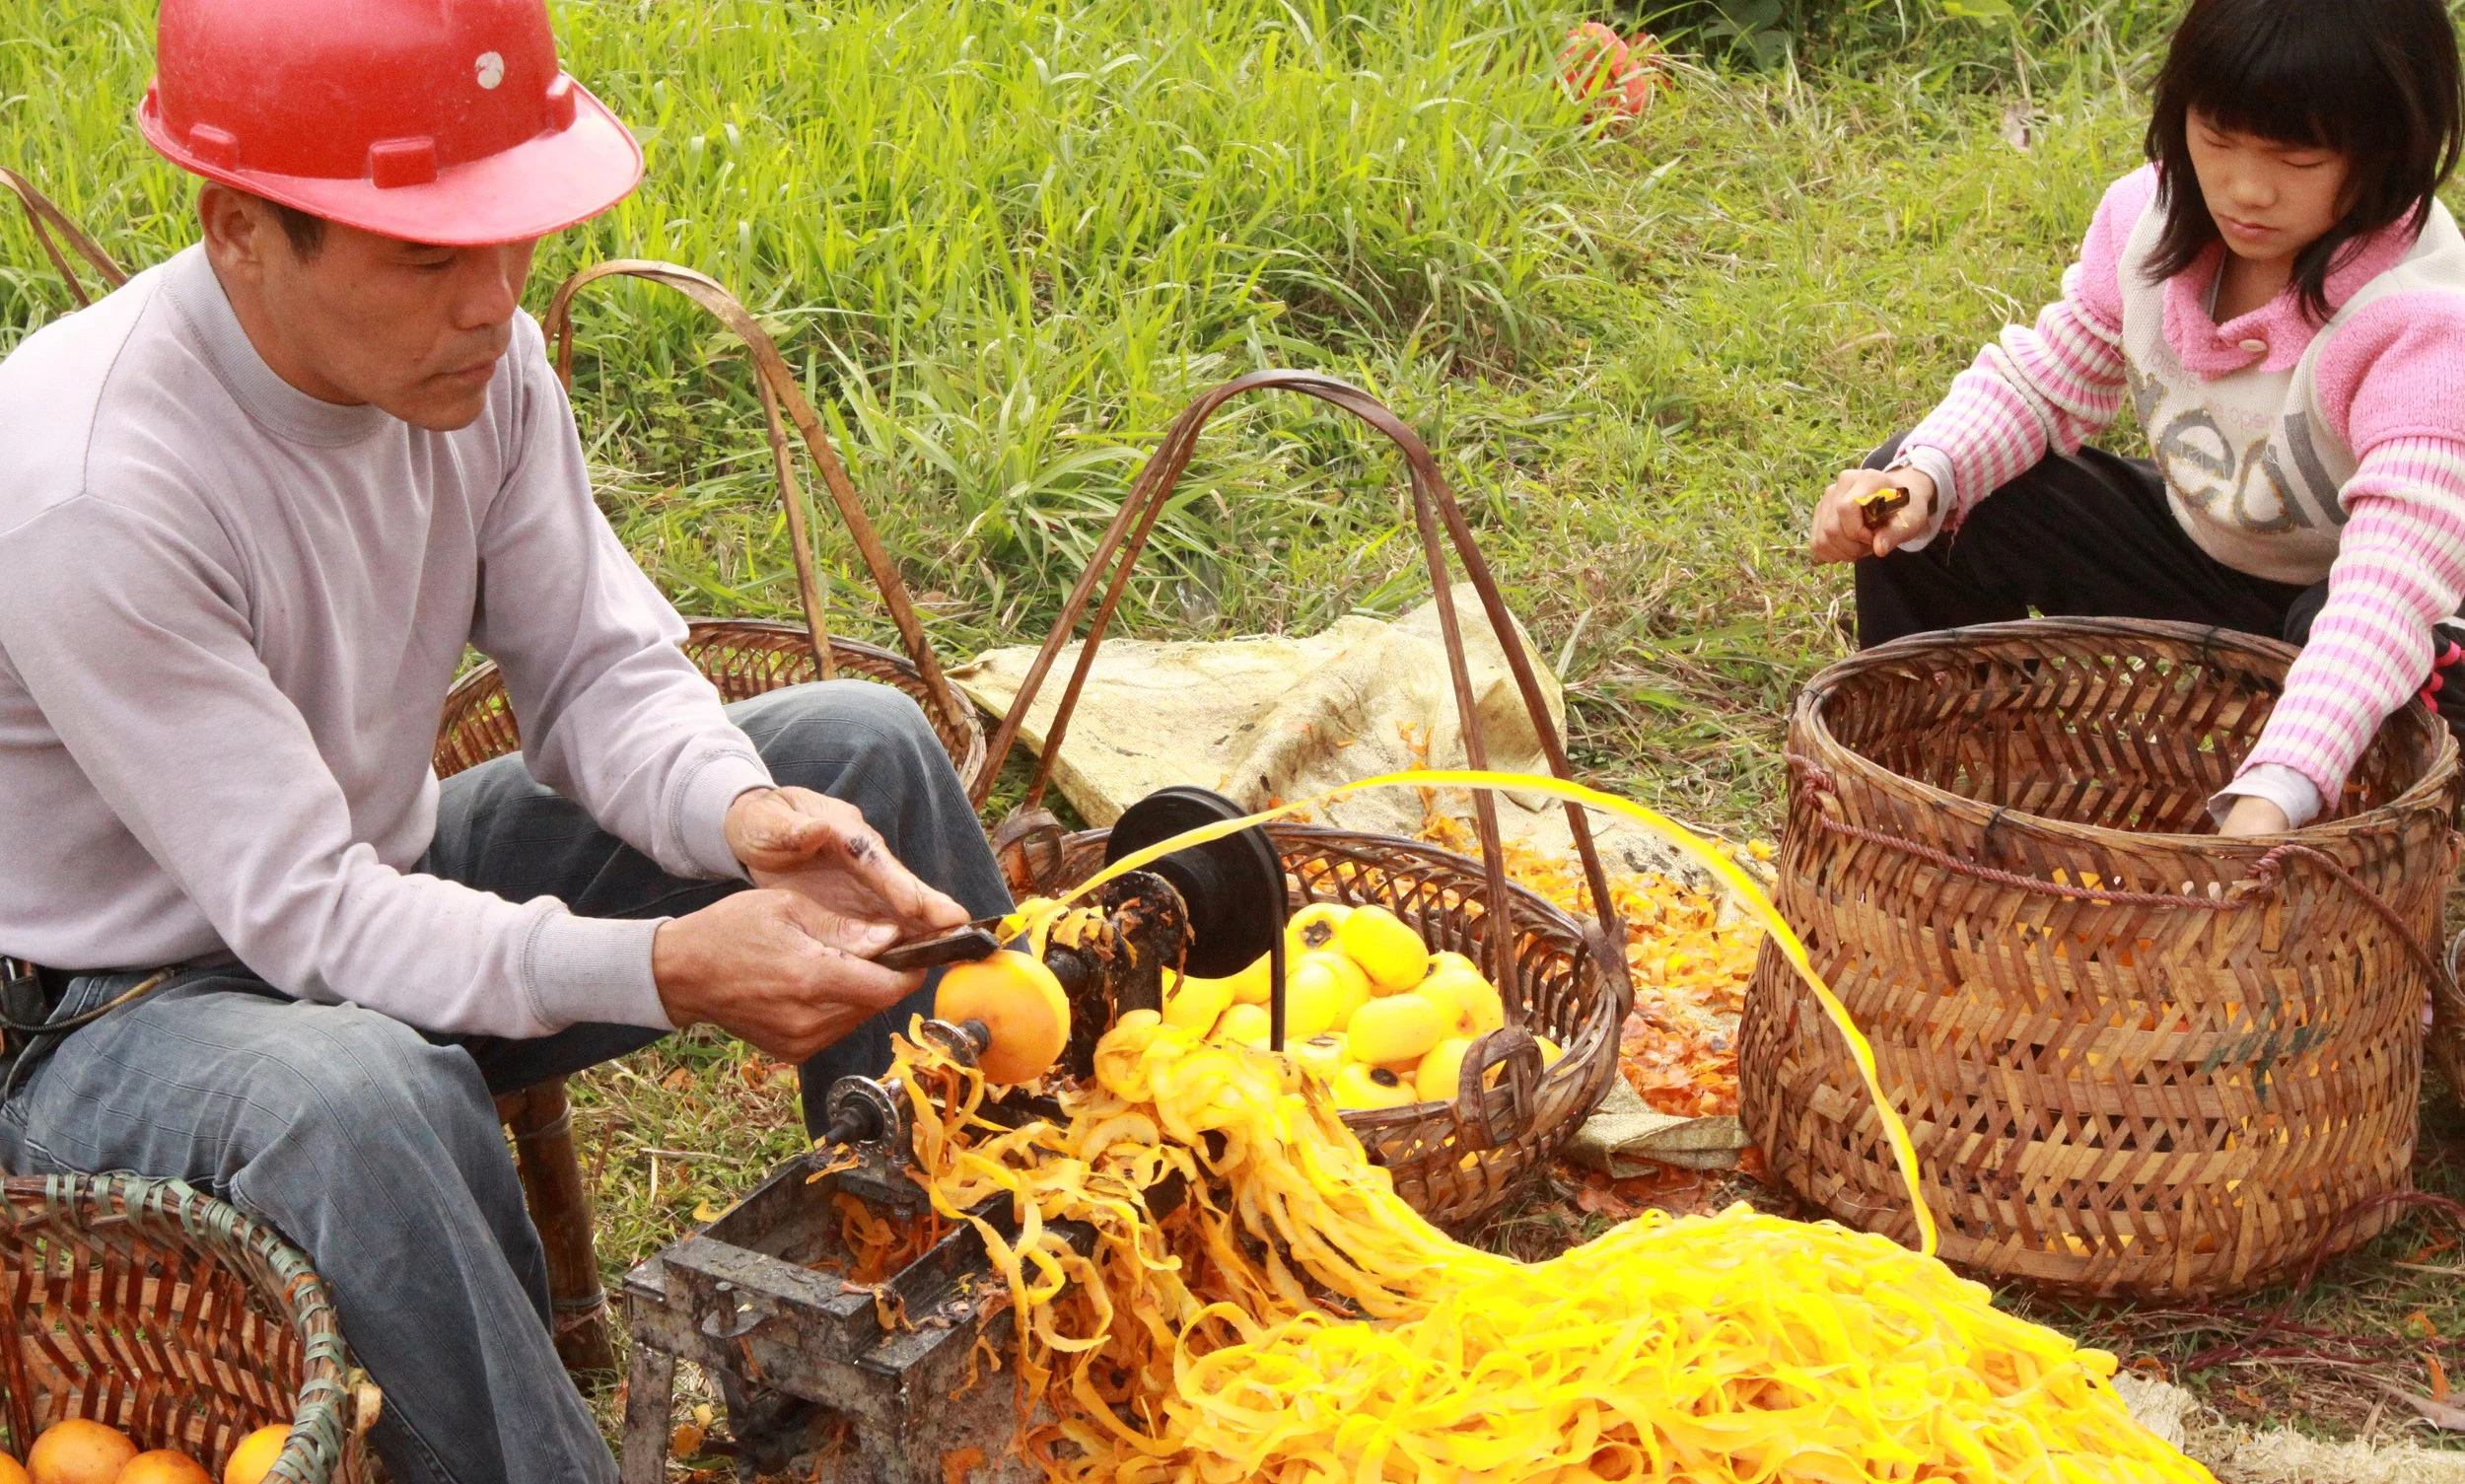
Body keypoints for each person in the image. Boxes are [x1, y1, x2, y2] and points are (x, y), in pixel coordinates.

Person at [0, 1, 1009, 1479]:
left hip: (372, 871)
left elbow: (600, 668)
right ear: (238, 228)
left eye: (510, 238)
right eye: (427, 254)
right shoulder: (90, 486)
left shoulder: (480, 364)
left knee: (861, 753)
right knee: (360, 1097)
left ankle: (1001, 1316)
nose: (491, 298)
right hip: (111, 1009)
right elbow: (301, 916)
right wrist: (665, 969)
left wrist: (743, 814)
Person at [1809, 0, 2465, 836]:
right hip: (2220, 555)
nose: (2246, 188)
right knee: (1934, 509)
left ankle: (2394, 837)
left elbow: (2389, 590)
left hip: (2404, 606)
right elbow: (2046, 381)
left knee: (2409, 658)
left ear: (2389, 151)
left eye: (2298, 157)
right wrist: (1918, 479)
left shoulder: (2425, 323)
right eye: (2219, 139)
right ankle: (1937, 789)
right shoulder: (2153, 223)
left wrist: (2280, 786)